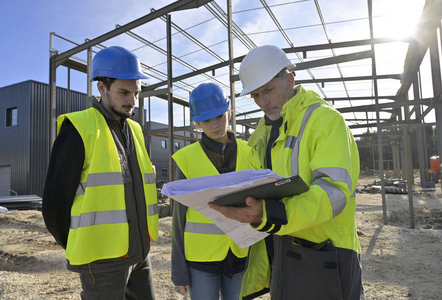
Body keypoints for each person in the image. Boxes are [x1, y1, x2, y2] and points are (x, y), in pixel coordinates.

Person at [208, 45, 364, 299]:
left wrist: (273, 213)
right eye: (256, 95)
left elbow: (334, 193)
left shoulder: (325, 121)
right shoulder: (263, 134)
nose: (263, 101)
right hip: (281, 251)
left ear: (290, 80)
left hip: (326, 256)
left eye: (268, 89)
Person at [42, 46, 158, 300]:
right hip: (102, 260)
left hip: (139, 252)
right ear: (101, 88)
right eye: (124, 92)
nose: (132, 101)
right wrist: (83, 243)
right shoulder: (79, 129)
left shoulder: (135, 130)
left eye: (136, 93)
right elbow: (54, 206)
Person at [171, 83, 260, 300]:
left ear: (228, 113)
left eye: (219, 116)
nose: (215, 124)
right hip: (201, 259)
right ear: (197, 122)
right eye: (207, 120)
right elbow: (178, 218)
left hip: (240, 253)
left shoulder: (250, 153)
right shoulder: (185, 159)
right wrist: (179, 268)